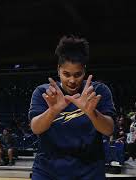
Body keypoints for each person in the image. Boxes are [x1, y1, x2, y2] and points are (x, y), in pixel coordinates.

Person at [28, 35, 117, 179]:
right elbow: (36, 128)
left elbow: (108, 130)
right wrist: (53, 110)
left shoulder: (98, 91)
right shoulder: (45, 92)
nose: (72, 80)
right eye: (66, 74)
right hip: (48, 171)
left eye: (77, 74)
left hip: (90, 170)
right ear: (58, 70)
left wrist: (91, 112)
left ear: (84, 71)